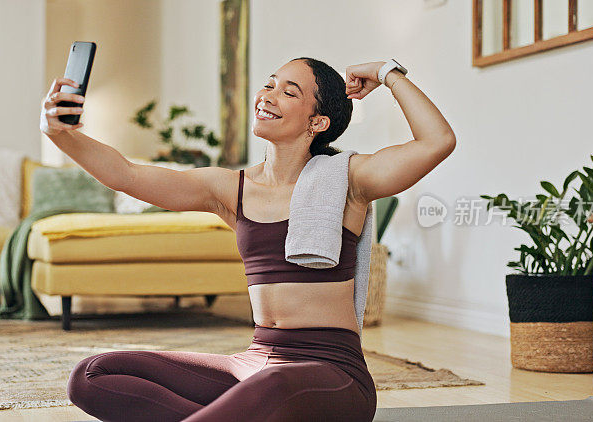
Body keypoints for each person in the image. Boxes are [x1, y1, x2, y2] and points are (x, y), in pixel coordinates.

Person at [40, 57, 455, 422]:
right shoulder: (229, 189)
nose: (268, 95)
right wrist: (60, 135)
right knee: (91, 374)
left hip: (332, 372)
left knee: (273, 385)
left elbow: (437, 142)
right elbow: (126, 175)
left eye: (289, 92)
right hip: (253, 364)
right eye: (270, 83)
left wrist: (386, 73)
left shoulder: (348, 180)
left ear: (317, 123)